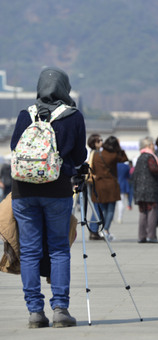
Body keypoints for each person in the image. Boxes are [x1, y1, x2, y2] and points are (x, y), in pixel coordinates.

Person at [10, 67, 86, 328]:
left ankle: (34, 312)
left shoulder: (26, 114)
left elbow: (14, 148)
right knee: (58, 249)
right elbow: (79, 157)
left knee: (29, 251)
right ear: (65, 87)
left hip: (23, 191)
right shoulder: (73, 116)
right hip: (57, 190)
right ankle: (61, 310)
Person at [132, 137, 158, 243]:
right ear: (147, 146)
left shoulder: (140, 157)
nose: (153, 146)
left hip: (140, 189)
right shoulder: (150, 157)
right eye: (152, 144)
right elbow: (154, 169)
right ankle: (151, 236)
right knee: (152, 211)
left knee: (143, 212)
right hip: (150, 188)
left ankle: (142, 236)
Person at [90, 136, 128, 241]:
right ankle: (105, 230)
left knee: (101, 209)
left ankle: (97, 229)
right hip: (111, 185)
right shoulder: (114, 155)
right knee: (110, 209)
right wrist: (119, 148)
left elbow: (92, 169)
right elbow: (124, 159)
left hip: (99, 184)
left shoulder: (97, 155)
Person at [86, 133, 104, 240]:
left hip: (93, 182)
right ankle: (93, 229)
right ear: (94, 143)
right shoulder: (96, 154)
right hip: (95, 182)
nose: (101, 142)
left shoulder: (92, 153)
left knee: (96, 206)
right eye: (99, 141)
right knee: (97, 206)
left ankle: (94, 229)